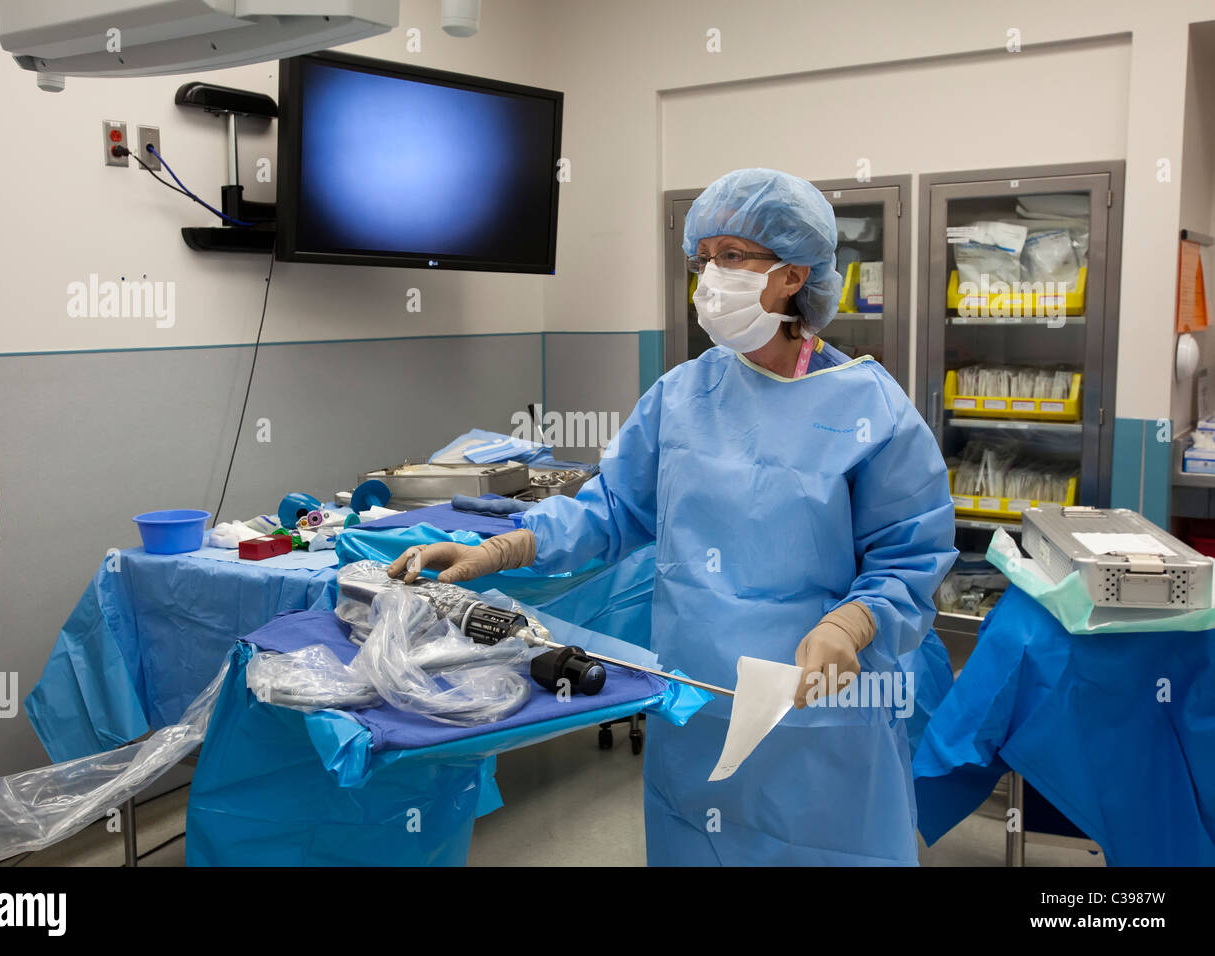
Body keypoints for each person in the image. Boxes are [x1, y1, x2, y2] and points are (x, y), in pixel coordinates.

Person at [389, 168, 957, 865]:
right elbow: (612, 509)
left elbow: (911, 555)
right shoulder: (683, 396)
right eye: (703, 259)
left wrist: (853, 622)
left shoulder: (868, 409)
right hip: (699, 707)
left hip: (818, 715)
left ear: (791, 276)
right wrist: (503, 548)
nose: (711, 278)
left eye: (733, 256)